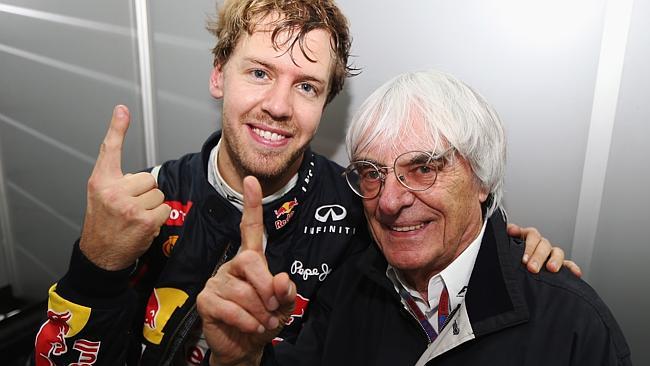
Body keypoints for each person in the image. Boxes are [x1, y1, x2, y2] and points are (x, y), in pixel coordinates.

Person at [33, 1, 576, 365]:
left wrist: (501, 247)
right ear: (219, 74)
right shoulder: (145, 202)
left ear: (325, 106)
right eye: (260, 72)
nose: (277, 106)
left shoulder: (368, 210)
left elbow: (443, 243)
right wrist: (95, 269)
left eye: (307, 86)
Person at [198, 69, 632, 366]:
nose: (389, 201)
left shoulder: (573, 325)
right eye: (372, 173)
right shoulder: (351, 286)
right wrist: (239, 358)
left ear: (482, 179)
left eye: (423, 168)